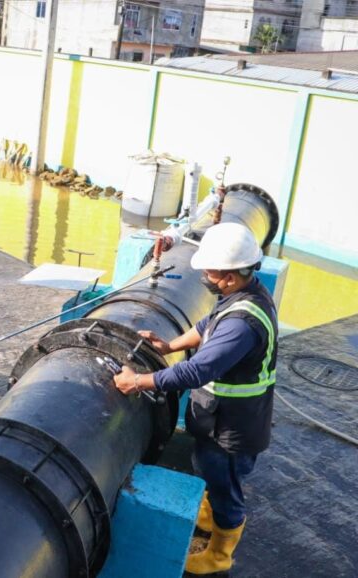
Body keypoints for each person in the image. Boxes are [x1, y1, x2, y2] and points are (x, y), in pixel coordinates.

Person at [113, 222, 277, 576]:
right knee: (208, 470)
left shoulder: (241, 326)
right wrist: (170, 345)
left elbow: (194, 373)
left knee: (225, 487)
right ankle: (209, 515)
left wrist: (138, 381)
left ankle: (219, 556)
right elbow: (207, 326)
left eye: (209, 271)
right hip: (220, 419)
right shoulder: (242, 297)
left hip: (233, 428)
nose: (203, 274)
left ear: (231, 276)